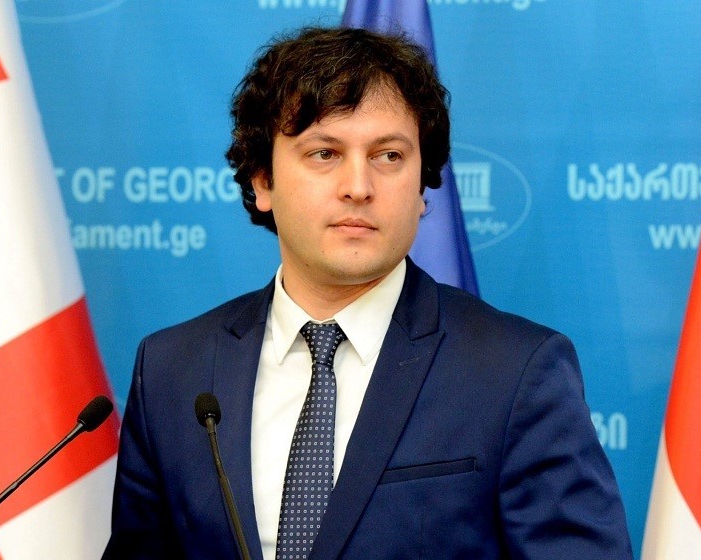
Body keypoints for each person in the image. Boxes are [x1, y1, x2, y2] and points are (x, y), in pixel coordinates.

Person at [103, 26, 633, 559]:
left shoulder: (515, 372)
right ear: (262, 180)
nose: (359, 186)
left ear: (423, 186)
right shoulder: (174, 371)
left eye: (388, 156)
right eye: (324, 153)